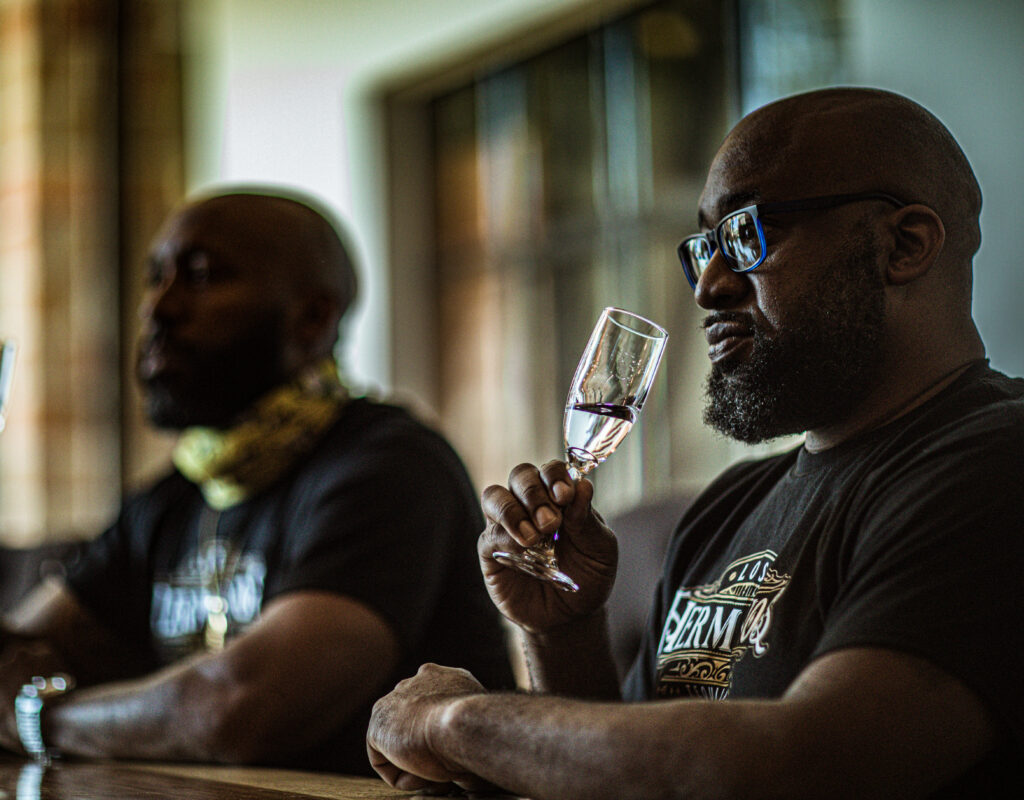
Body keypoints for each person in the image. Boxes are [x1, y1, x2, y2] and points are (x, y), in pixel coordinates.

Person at [366, 87, 1024, 798]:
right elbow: (640, 774)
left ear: (904, 245)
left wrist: (455, 725)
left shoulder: (998, 462)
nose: (709, 285)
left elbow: (798, 767)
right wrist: (567, 634)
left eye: (746, 234)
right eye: (704, 247)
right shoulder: (734, 504)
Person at [0, 188, 513, 774]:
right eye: (156, 277)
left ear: (312, 319)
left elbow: (240, 709)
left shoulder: (389, 467)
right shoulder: (172, 501)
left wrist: (46, 718)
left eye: (203, 276)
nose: (158, 307)